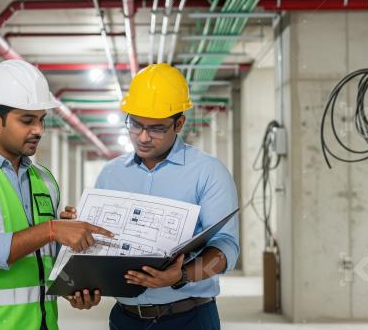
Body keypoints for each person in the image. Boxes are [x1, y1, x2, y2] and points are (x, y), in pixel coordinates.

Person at [0, 59, 113, 330]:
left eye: (41, 120)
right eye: (27, 120)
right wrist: (51, 229)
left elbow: (43, 259)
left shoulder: (44, 179)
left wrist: (74, 282)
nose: (38, 130)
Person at [62, 63, 239, 329]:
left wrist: (181, 276)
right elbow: (99, 246)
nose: (143, 137)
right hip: (125, 318)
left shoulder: (208, 172)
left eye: (156, 128)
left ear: (179, 123)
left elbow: (226, 249)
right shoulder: (111, 174)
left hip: (189, 318)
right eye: (135, 124)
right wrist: (82, 281)